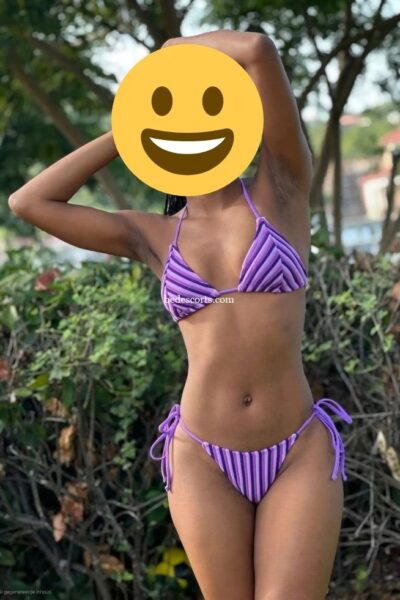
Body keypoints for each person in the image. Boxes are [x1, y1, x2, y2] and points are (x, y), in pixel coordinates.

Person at [9, 29, 352, 600]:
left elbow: (257, 49)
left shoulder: (281, 189)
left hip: (297, 449)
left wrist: (177, 51)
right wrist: (130, 128)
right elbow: (29, 202)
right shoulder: (151, 234)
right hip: (202, 457)